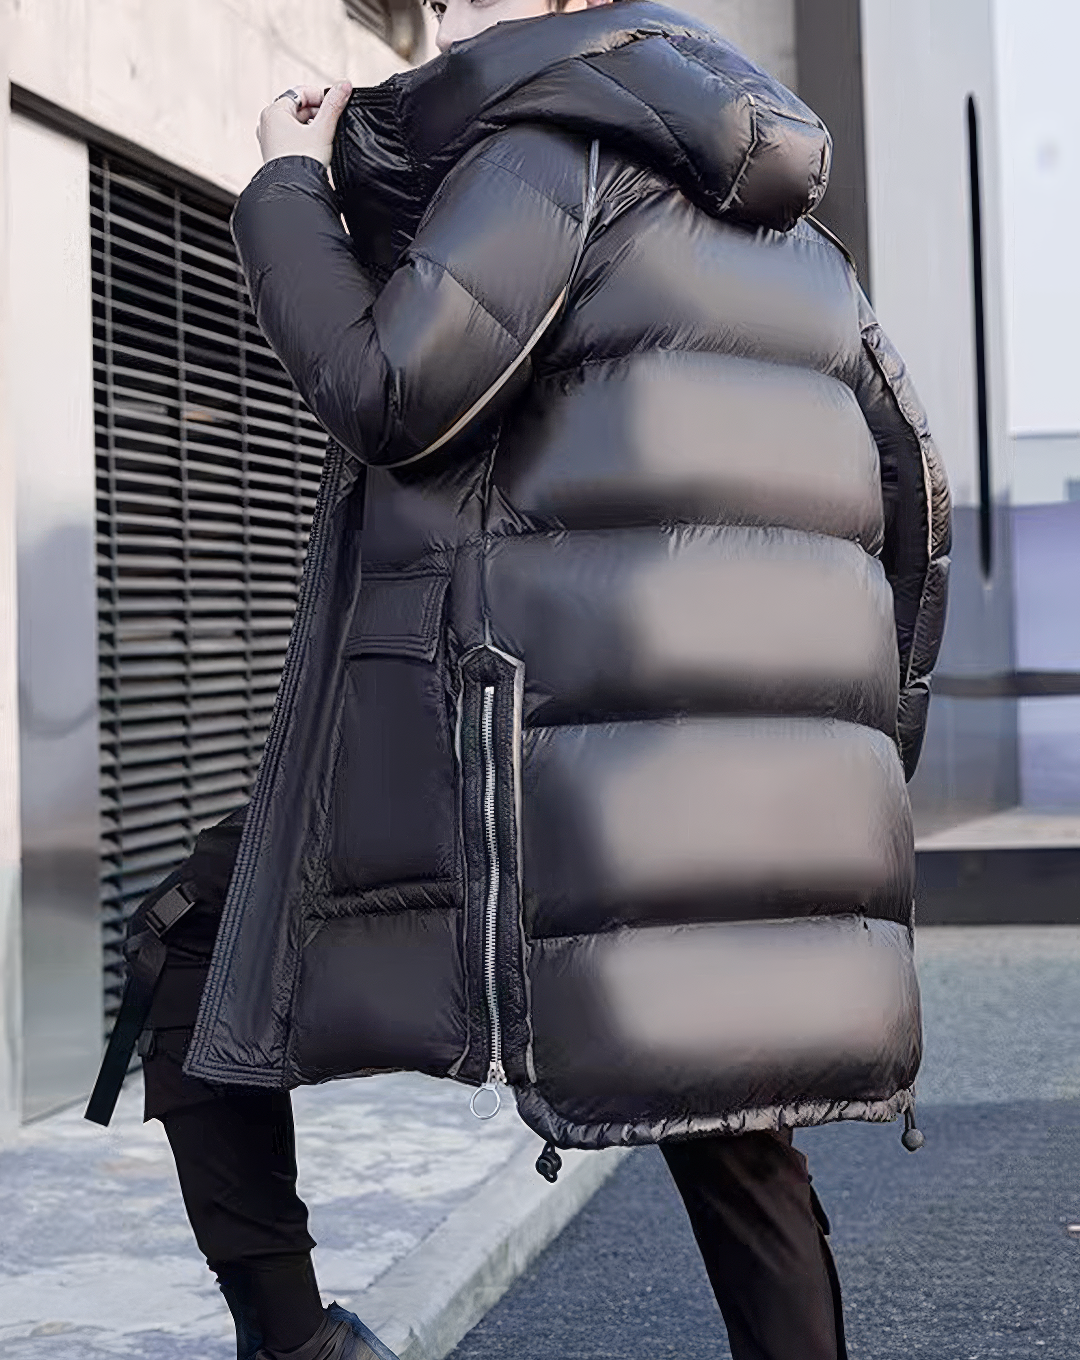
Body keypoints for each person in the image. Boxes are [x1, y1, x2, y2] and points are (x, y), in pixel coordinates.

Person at [88, 1, 951, 1357]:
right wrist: (849, 753)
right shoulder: (802, 246)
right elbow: (915, 505)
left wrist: (286, 186)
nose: (443, 26)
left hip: (530, 753)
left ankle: (296, 1342)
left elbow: (391, 390)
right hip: (738, 784)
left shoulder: (551, 159)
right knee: (730, 1117)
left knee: (196, 939)